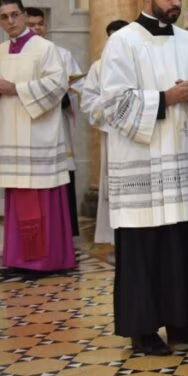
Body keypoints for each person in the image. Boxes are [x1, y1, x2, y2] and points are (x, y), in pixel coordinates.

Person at [100, 0, 188, 356]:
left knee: (185, 244)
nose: (175, 3)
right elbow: (112, 104)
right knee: (146, 248)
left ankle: (183, 324)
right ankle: (143, 329)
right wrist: (166, 98)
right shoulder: (123, 42)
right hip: (144, 164)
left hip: (185, 160)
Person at [0, 0, 76, 277]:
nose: (10, 21)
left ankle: (45, 261)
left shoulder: (45, 48)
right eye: (4, 17)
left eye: (14, 15)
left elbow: (57, 85)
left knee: (41, 199)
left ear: (23, 15)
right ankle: (18, 260)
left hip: (39, 136)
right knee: (17, 198)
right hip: (12, 134)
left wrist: (16, 89)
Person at [27, 6, 82, 237]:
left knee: (63, 177)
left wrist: (67, 93)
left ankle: (64, 233)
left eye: (40, 23)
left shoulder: (63, 55)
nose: (36, 28)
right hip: (31, 129)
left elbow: (79, 90)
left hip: (58, 126)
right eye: (31, 24)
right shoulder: (19, 57)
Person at [80, 19, 128, 249]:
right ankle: (114, 237)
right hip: (114, 134)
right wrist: (113, 108)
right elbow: (89, 103)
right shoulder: (99, 67)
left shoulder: (137, 61)